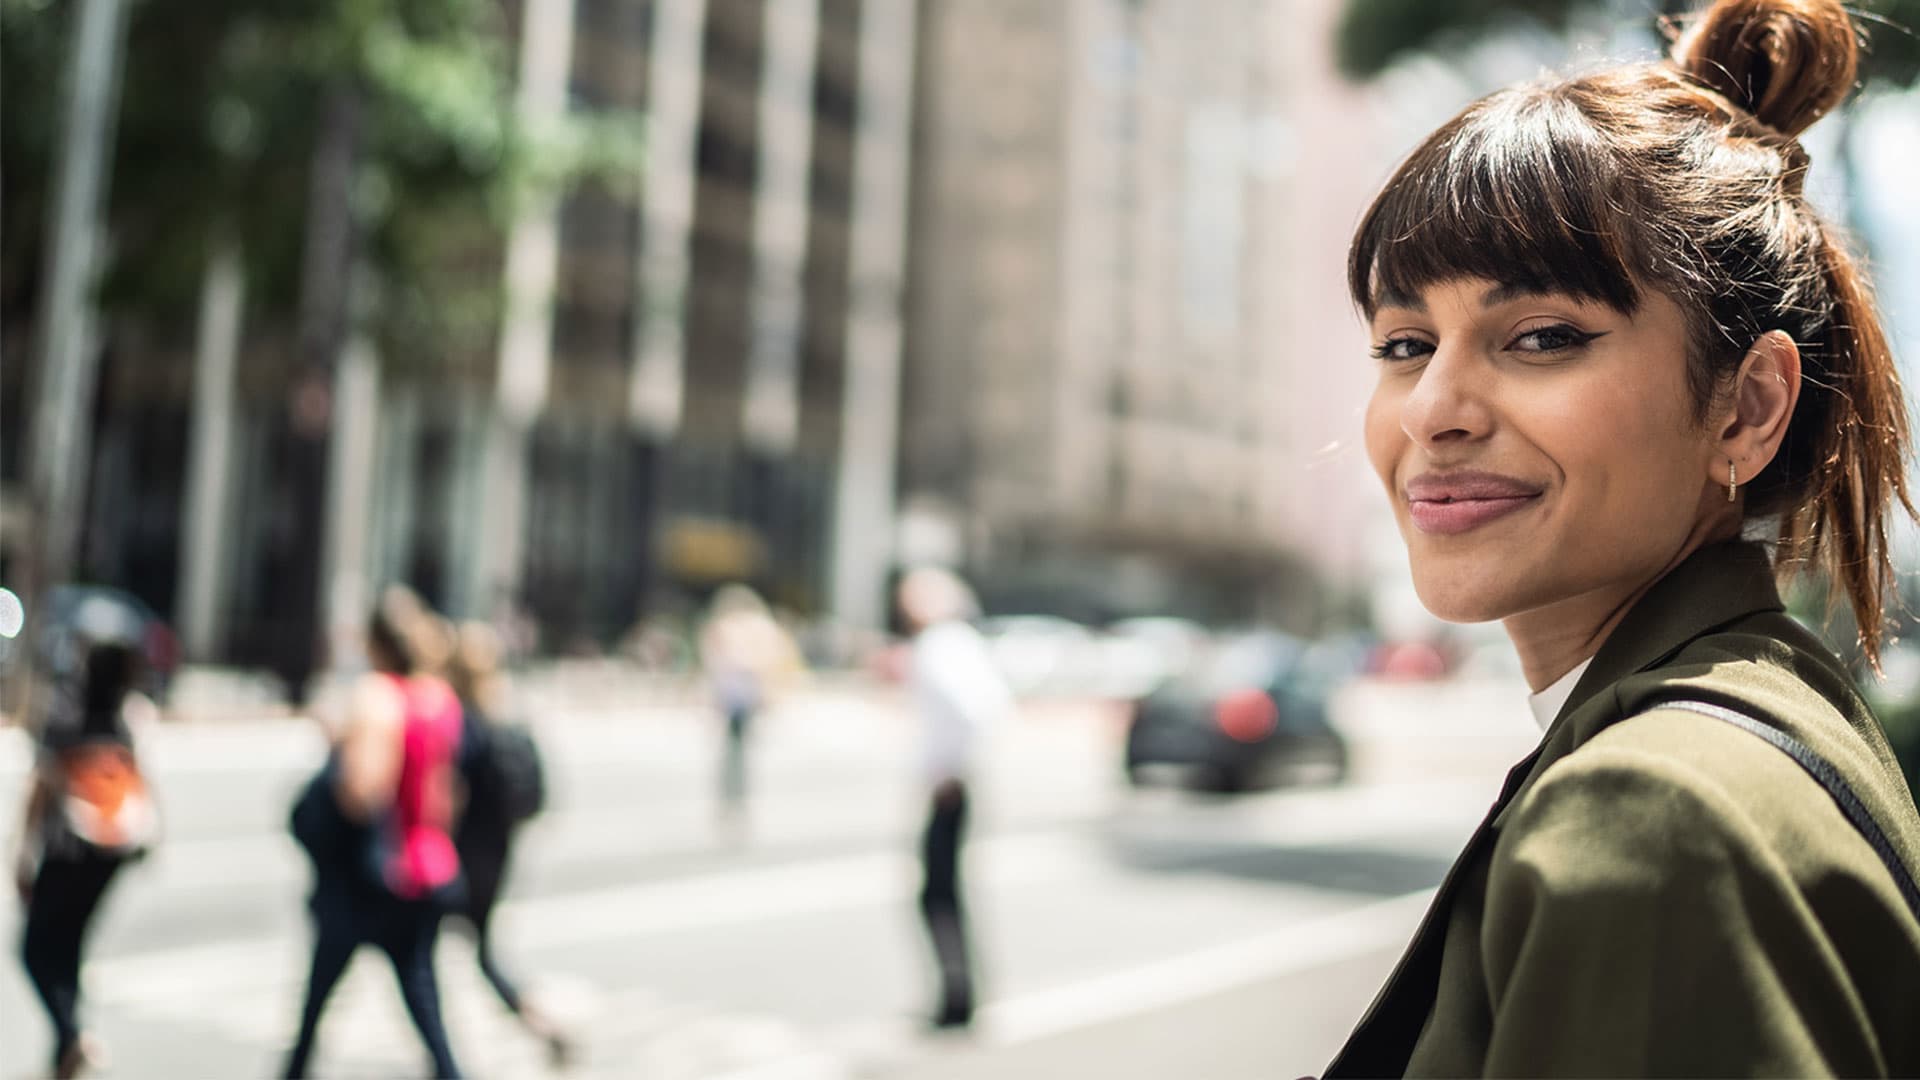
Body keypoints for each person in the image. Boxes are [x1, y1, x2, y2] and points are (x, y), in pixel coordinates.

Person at [1324, 0, 1920, 1074]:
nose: (1433, 411)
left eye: (1544, 337)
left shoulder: (1653, 813)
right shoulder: (1765, 704)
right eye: (1404, 343)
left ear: (1745, 408)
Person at [284, 587, 466, 1079]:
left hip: (374, 874)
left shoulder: (375, 697)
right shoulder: (438, 699)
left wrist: (340, 748)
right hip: (427, 865)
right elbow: (446, 795)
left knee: (319, 997)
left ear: (373, 642)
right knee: (423, 998)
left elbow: (363, 792)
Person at [11, 625, 159, 1080]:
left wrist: (20, 851)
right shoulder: (128, 717)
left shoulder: (66, 713)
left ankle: (71, 1034)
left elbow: (42, 785)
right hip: (111, 851)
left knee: (35, 949)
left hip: (68, 848)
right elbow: (143, 782)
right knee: (71, 946)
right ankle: (65, 1051)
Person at [445, 620, 574, 1066]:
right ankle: (538, 1022)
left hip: (460, 855)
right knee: (478, 953)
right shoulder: (508, 713)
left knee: (421, 949)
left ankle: (444, 1055)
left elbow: (449, 794)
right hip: (498, 854)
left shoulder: (465, 724)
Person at [896, 568, 1012, 1030]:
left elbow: (975, 710)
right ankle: (965, 989)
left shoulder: (940, 646)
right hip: (958, 781)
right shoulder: (960, 642)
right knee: (946, 888)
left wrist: (950, 771)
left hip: (951, 785)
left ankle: (958, 994)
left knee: (937, 891)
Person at [697, 584, 799, 830]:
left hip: (738, 695)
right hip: (741, 695)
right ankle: (735, 801)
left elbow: (714, 659)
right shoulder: (754, 627)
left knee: (735, 752)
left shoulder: (736, 627)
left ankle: (734, 801)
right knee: (737, 752)